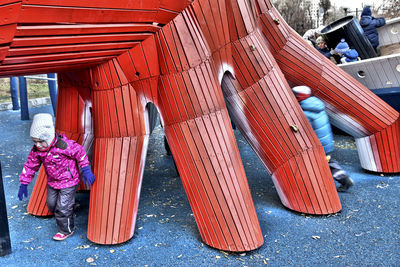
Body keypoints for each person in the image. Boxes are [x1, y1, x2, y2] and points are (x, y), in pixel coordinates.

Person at [17, 113, 96, 241]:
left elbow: (79, 151)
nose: (38, 145)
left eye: (41, 141)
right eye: (35, 141)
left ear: (48, 137)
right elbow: (30, 165)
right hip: (53, 182)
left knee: (62, 208)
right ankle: (70, 207)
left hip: (69, 181)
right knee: (51, 205)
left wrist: (86, 169)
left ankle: (65, 231)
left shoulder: (63, 146)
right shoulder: (37, 151)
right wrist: (24, 183)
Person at [292, 86, 354, 192]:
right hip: (326, 143)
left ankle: (343, 181)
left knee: (321, 164)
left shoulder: (306, 112)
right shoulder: (316, 106)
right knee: (329, 163)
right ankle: (344, 179)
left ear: (299, 97)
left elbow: (304, 130)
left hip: (319, 146)